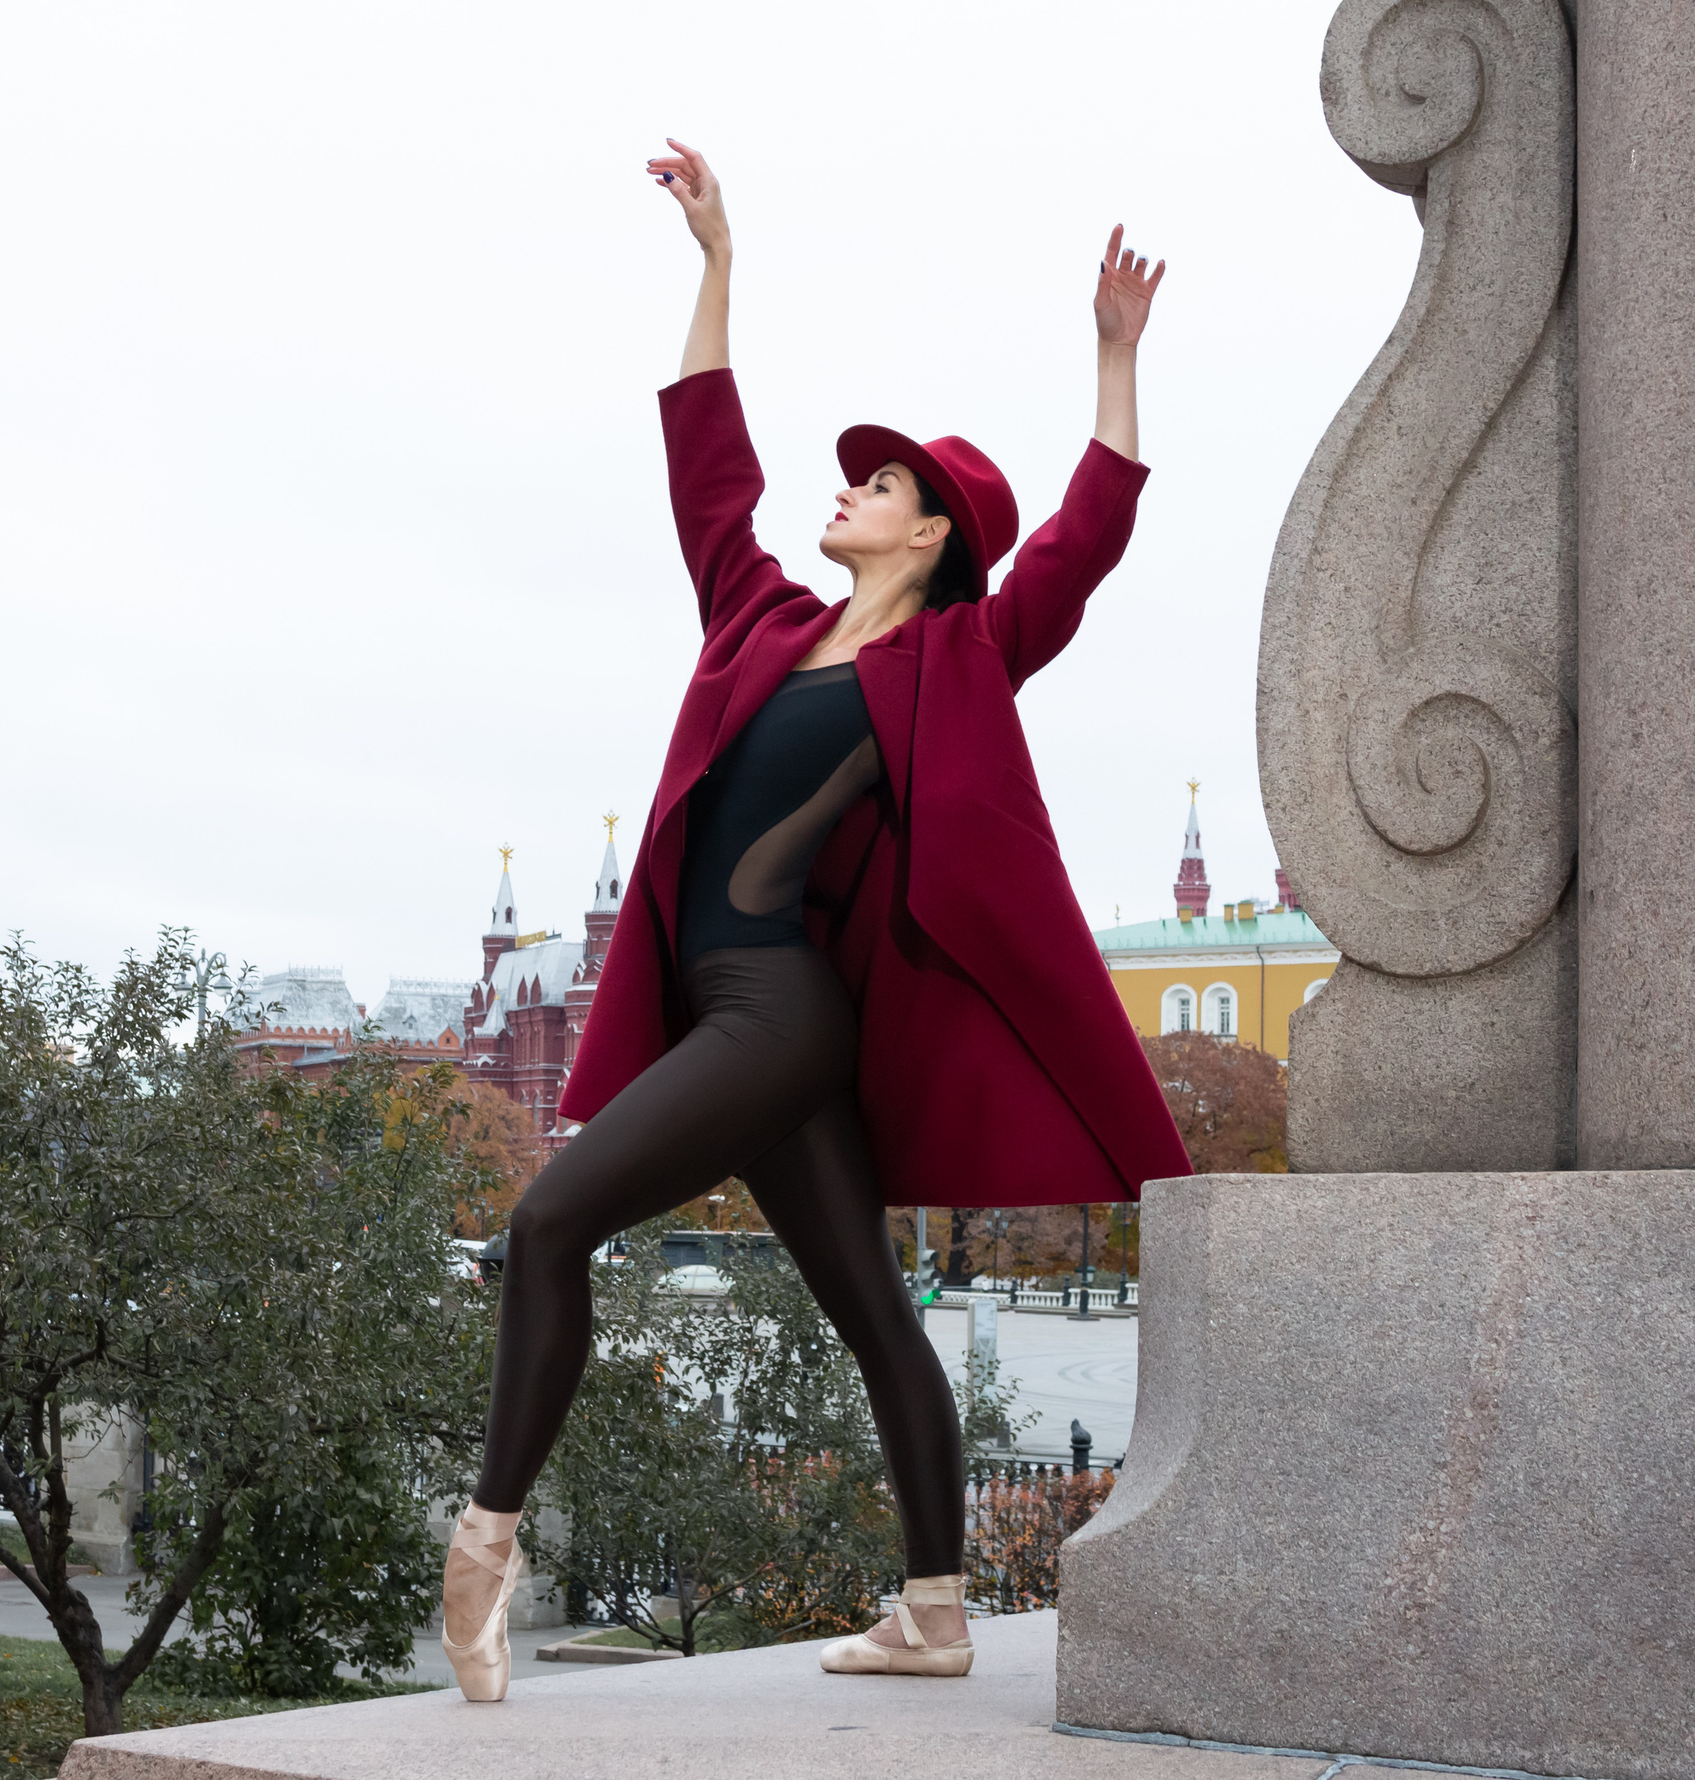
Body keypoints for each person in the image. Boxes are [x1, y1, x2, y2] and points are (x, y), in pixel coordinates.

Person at [438, 142, 1188, 1701]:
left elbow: (1078, 552)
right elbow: (706, 464)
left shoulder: (955, 661)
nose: (848, 487)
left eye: (885, 482)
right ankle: (933, 1612)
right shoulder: (764, 623)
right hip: (730, 1010)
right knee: (872, 1314)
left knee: (544, 1223)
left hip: (781, 1016)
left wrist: (1113, 365)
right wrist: (717, 259)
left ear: (926, 539)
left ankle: (485, 1543)